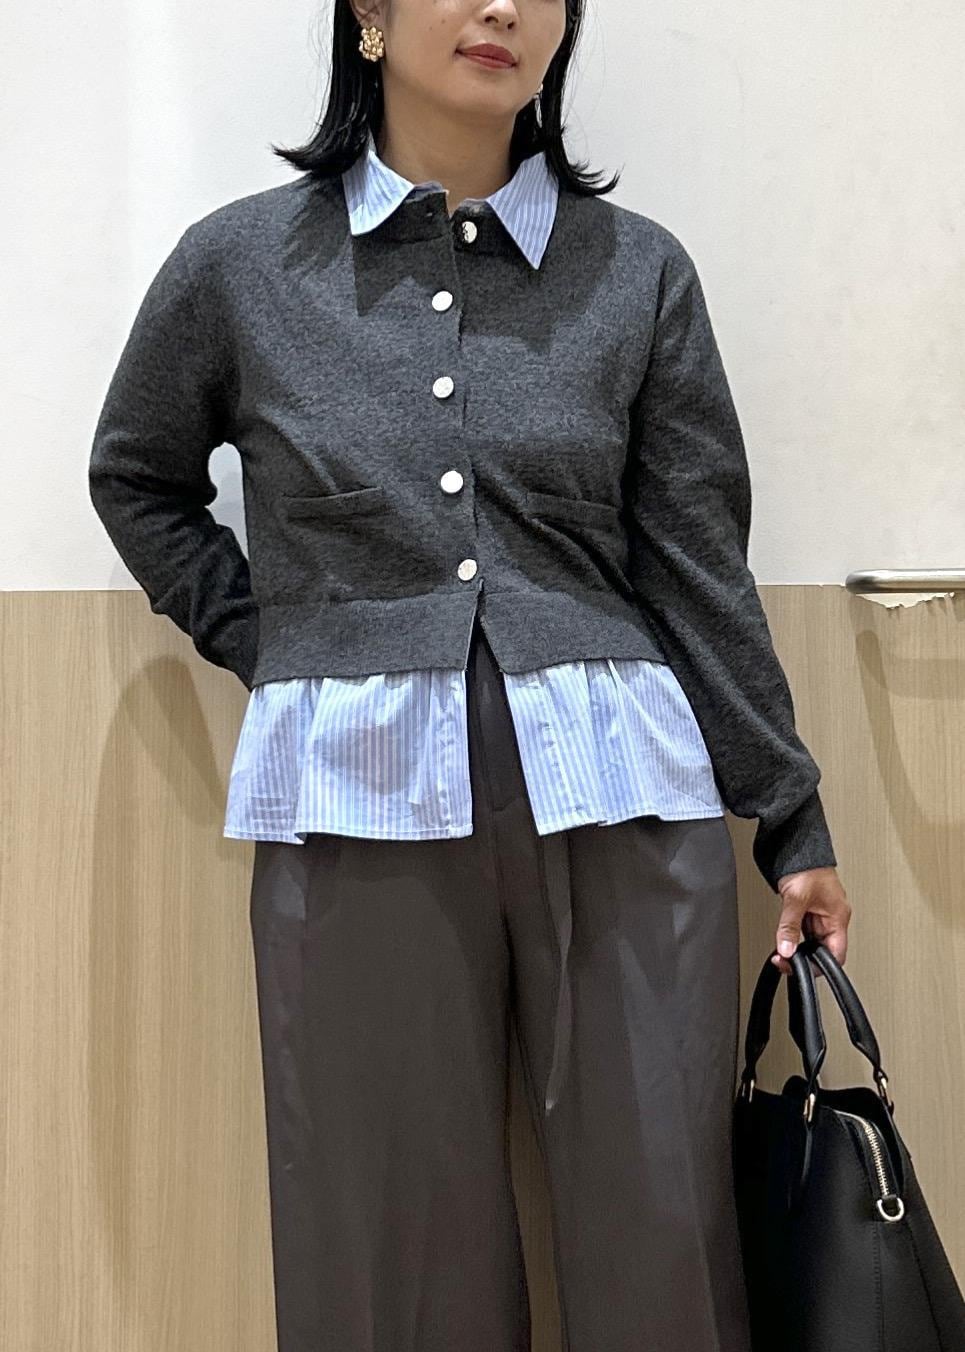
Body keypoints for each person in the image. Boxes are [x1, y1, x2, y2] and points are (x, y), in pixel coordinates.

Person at [88, 1, 852, 1348]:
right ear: (369, 18)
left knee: (661, 1229)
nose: (504, 6)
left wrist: (788, 813)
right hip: (354, 798)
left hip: (621, 794)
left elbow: (696, 565)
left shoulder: (636, 270)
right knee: (382, 1241)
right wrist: (280, 642)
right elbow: (136, 478)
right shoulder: (242, 265)